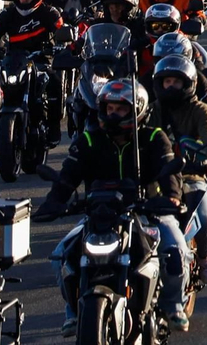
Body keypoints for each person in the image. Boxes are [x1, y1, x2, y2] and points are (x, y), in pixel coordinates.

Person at [35, 79, 189, 335]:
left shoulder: (153, 137)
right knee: (61, 255)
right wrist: (54, 202)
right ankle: (74, 311)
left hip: (147, 211)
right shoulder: (89, 139)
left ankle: (173, 306)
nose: (114, 114)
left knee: (174, 249)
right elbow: (68, 175)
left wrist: (171, 197)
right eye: (110, 109)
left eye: (121, 109)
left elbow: (168, 171)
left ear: (136, 109)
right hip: (100, 213)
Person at [153, 54, 207, 286]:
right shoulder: (154, 111)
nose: (171, 86)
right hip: (157, 176)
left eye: (176, 82)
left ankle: (205, 256)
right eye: (167, 82)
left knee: (202, 217)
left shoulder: (201, 110)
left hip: (191, 174)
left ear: (188, 83)